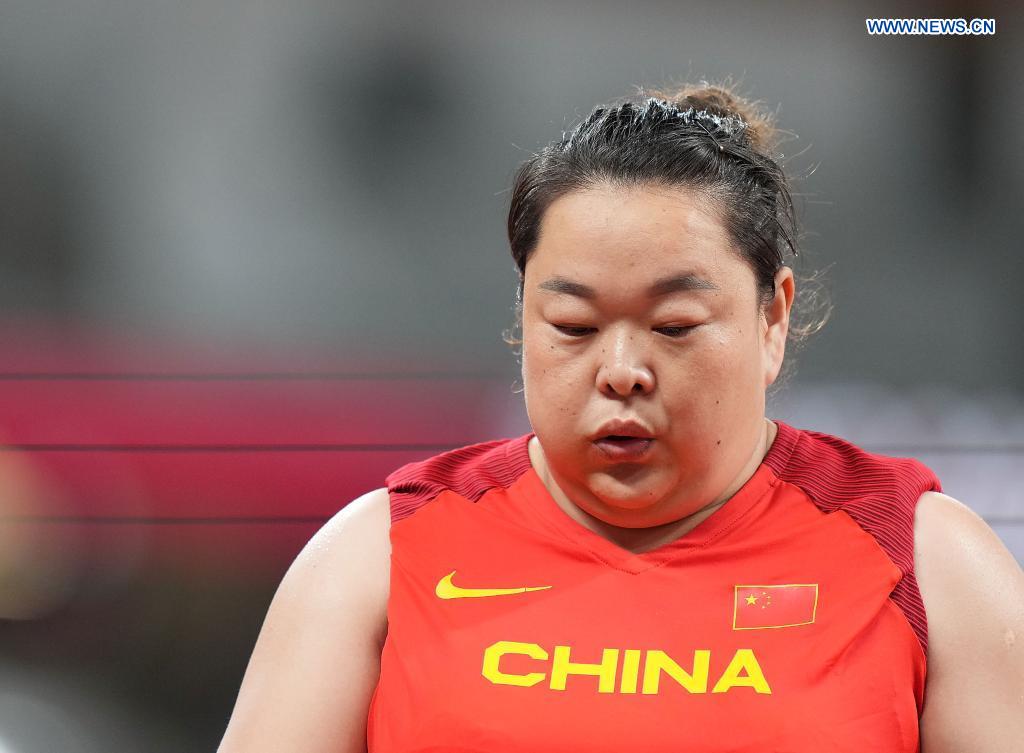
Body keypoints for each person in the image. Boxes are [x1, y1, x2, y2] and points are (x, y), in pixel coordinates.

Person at [216, 82, 1024, 753]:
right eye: (573, 326)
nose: (622, 370)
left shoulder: (927, 565)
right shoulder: (378, 556)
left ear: (772, 318)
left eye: (674, 325)